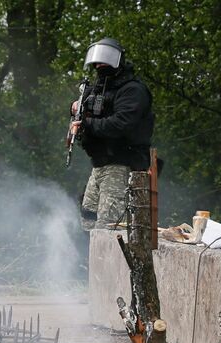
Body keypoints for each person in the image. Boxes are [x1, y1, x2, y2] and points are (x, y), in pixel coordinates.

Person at [70, 38, 154, 230]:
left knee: (108, 226)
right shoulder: (100, 88)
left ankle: (109, 260)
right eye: (97, 62)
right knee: (88, 219)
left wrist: (87, 123)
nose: (100, 65)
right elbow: (85, 108)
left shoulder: (132, 90)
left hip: (122, 163)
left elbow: (121, 124)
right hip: (100, 164)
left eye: (104, 60)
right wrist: (76, 108)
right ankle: (90, 259)